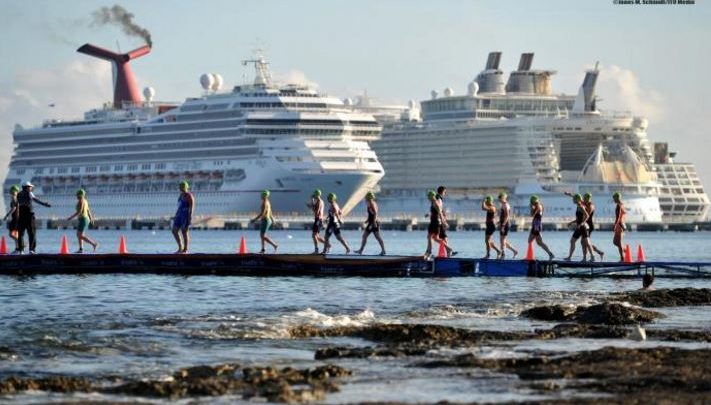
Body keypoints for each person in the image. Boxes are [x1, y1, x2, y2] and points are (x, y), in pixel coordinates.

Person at [16, 181, 51, 254]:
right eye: (30, 187)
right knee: (32, 233)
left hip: (21, 216)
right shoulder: (29, 193)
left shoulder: (18, 194)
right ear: (27, 187)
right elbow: (36, 200)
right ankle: (31, 250)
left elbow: (18, 205)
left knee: (21, 234)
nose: (31, 188)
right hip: (29, 215)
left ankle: (21, 250)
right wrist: (44, 204)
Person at [66, 189, 98, 253]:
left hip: (83, 219)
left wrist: (70, 217)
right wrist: (91, 219)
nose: (76, 197)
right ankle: (81, 249)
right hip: (85, 219)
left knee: (79, 235)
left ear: (80, 195)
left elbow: (79, 212)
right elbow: (88, 211)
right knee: (80, 234)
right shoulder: (85, 201)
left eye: (77, 195)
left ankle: (93, 244)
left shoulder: (81, 201)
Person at [564, 194, 594, 262]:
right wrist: (571, 223)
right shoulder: (578, 206)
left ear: (576, 199)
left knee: (587, 242)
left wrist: (582, 223)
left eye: (574, 199)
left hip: (582, 227)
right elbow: (578, 219)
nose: (572, 200)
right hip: (579, 227)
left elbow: (587, 216)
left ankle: (592, 256)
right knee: (573, 241)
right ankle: (570, 257)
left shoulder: (581, 206)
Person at [354, 192, 386, 256]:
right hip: (371, 222)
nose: (365, 199)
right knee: (367, 236)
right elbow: (371, 214)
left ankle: (383, 250)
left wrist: (373, 221)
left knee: (376, 237)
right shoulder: (371, 203)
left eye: (366, 198)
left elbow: (375, 213)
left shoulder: (372, 204)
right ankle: (361, 250)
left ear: (368, 198)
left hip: (373, 223)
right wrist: (367, 220)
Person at [425, 190, 453, 258]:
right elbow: (434, 213)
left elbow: (440, 213)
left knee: (435, 238)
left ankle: (448, 249)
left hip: (436, 222)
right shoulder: (433, 203)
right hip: (432, 222)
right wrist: (429, 215)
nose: (428, 199)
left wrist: (444, 222)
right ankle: (429, 251)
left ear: (432, 196)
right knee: (429, 237)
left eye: (429, 197)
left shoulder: (436, 203)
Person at [528, 195, 554, 260]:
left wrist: (531, 208)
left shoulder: (538, 206)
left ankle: (550, 253)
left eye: (531, 202)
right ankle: (530, 256)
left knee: (539, 242)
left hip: (537, 226)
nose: (531, 203)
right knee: (531, 241)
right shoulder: (539, 205)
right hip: (535, 225)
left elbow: (532, 215)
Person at [172, 181, 194, 254]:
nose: (182, 189)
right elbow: (179, 206)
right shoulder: (181, 195)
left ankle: (185, 249)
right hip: (179, 215)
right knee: (174, 230)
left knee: (184, 232)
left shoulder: (189, 195)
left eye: (183, 188)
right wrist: (176, 215)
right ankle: (180, 248)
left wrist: (190, 216)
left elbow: (192, 206)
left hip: (185, 214)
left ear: (186, 188)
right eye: (181, 188)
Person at [582, 193, 605, 260]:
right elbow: (578, 200)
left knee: (584, 242)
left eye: (585, 198)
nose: (583, 199)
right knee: (585, 242)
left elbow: (587, 216)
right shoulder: (586, 203)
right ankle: (599, 252)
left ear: (588, 198)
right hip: (586, 225)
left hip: (588, 226)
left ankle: (586, 258)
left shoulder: (590, 206)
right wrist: (570, 195)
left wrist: (581, 222)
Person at [497, 192, 518, 259]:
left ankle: (503, 254)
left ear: (503, 198)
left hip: (505, 224)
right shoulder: (503, 205)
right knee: (503, 240)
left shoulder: (506, 205)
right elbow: (502, 216)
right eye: (499, 199)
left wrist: (503, 225)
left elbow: (507, 216)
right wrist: (499, 221)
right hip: (503, 223)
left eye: (500, 199)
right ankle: (514, 251)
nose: (499, 200)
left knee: (502, 240)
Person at [307, 189, 326, 254]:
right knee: (316, 236)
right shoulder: (319, 201)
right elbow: (314, 207)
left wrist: (312, 207)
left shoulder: (319, 202)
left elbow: (316, 212)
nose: (314, 196)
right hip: (318, 219)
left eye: (314, 195)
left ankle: (316, 250)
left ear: (317, 195)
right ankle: (327, 244)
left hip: (318, 219)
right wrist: (312, 203)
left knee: (314, 235)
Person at [3, 185, 20, 253]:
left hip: (15, 218)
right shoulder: (17, 199)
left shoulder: (13, 198)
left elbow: (14, 208)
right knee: (16, 233)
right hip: (18, 218)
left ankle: (20, 245)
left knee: (11, 234)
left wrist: (7, 215)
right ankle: (18, 248)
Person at [613, 192, 627, 262]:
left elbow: (618, 217)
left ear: (616, 198)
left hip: (619, 224)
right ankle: (626, 251)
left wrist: (615, 225)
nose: (613, 200)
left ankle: (622, 258)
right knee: (615, 242)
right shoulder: (622, 204)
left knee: (619, 242)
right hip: (622, 224)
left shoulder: (619, 205)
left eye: (614, 198)